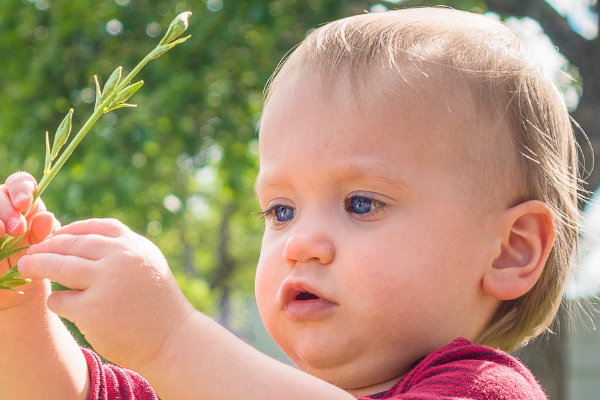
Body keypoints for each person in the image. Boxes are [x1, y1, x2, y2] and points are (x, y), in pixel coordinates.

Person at [0, 6, 580, 400]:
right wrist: (18, 310)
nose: (300, 243)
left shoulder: (485, 388)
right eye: (280, 211)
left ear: (509, 250)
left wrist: (171, 341)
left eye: (360, 203)